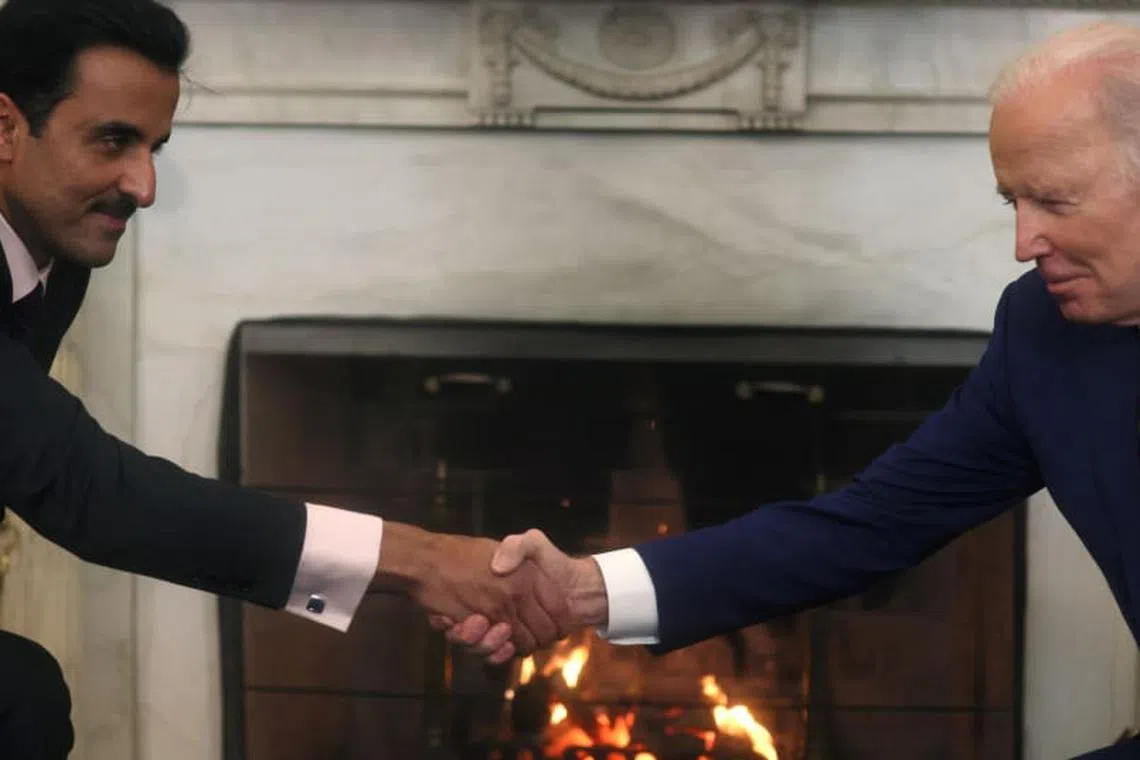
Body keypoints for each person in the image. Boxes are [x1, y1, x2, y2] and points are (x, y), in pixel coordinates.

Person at [437, 20, 1140, 760]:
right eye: (1012, 203)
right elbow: (870, 523)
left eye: (1055, 202)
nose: (1023, 244)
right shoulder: (1043, 331)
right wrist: (587, 589)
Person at [0, 1, 569, 757]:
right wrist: (424, 561)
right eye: (113, 141)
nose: (144, 186)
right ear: (5, 128)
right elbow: (93, 495)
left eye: (155, 147)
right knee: (24, 696)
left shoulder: (56, 247)